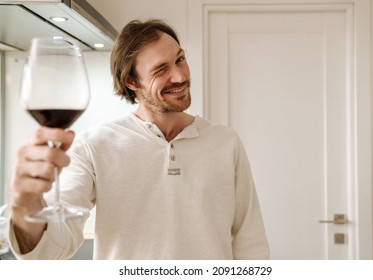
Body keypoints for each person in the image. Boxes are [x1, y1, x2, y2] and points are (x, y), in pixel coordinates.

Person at [8, 19, 269, 260]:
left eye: (180, 60)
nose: (179, 76)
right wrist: (23, 205)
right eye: (161, 69)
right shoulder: (94, 145)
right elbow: (52, 249)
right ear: (131, 81)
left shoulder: (225, 142)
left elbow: (250, 241)